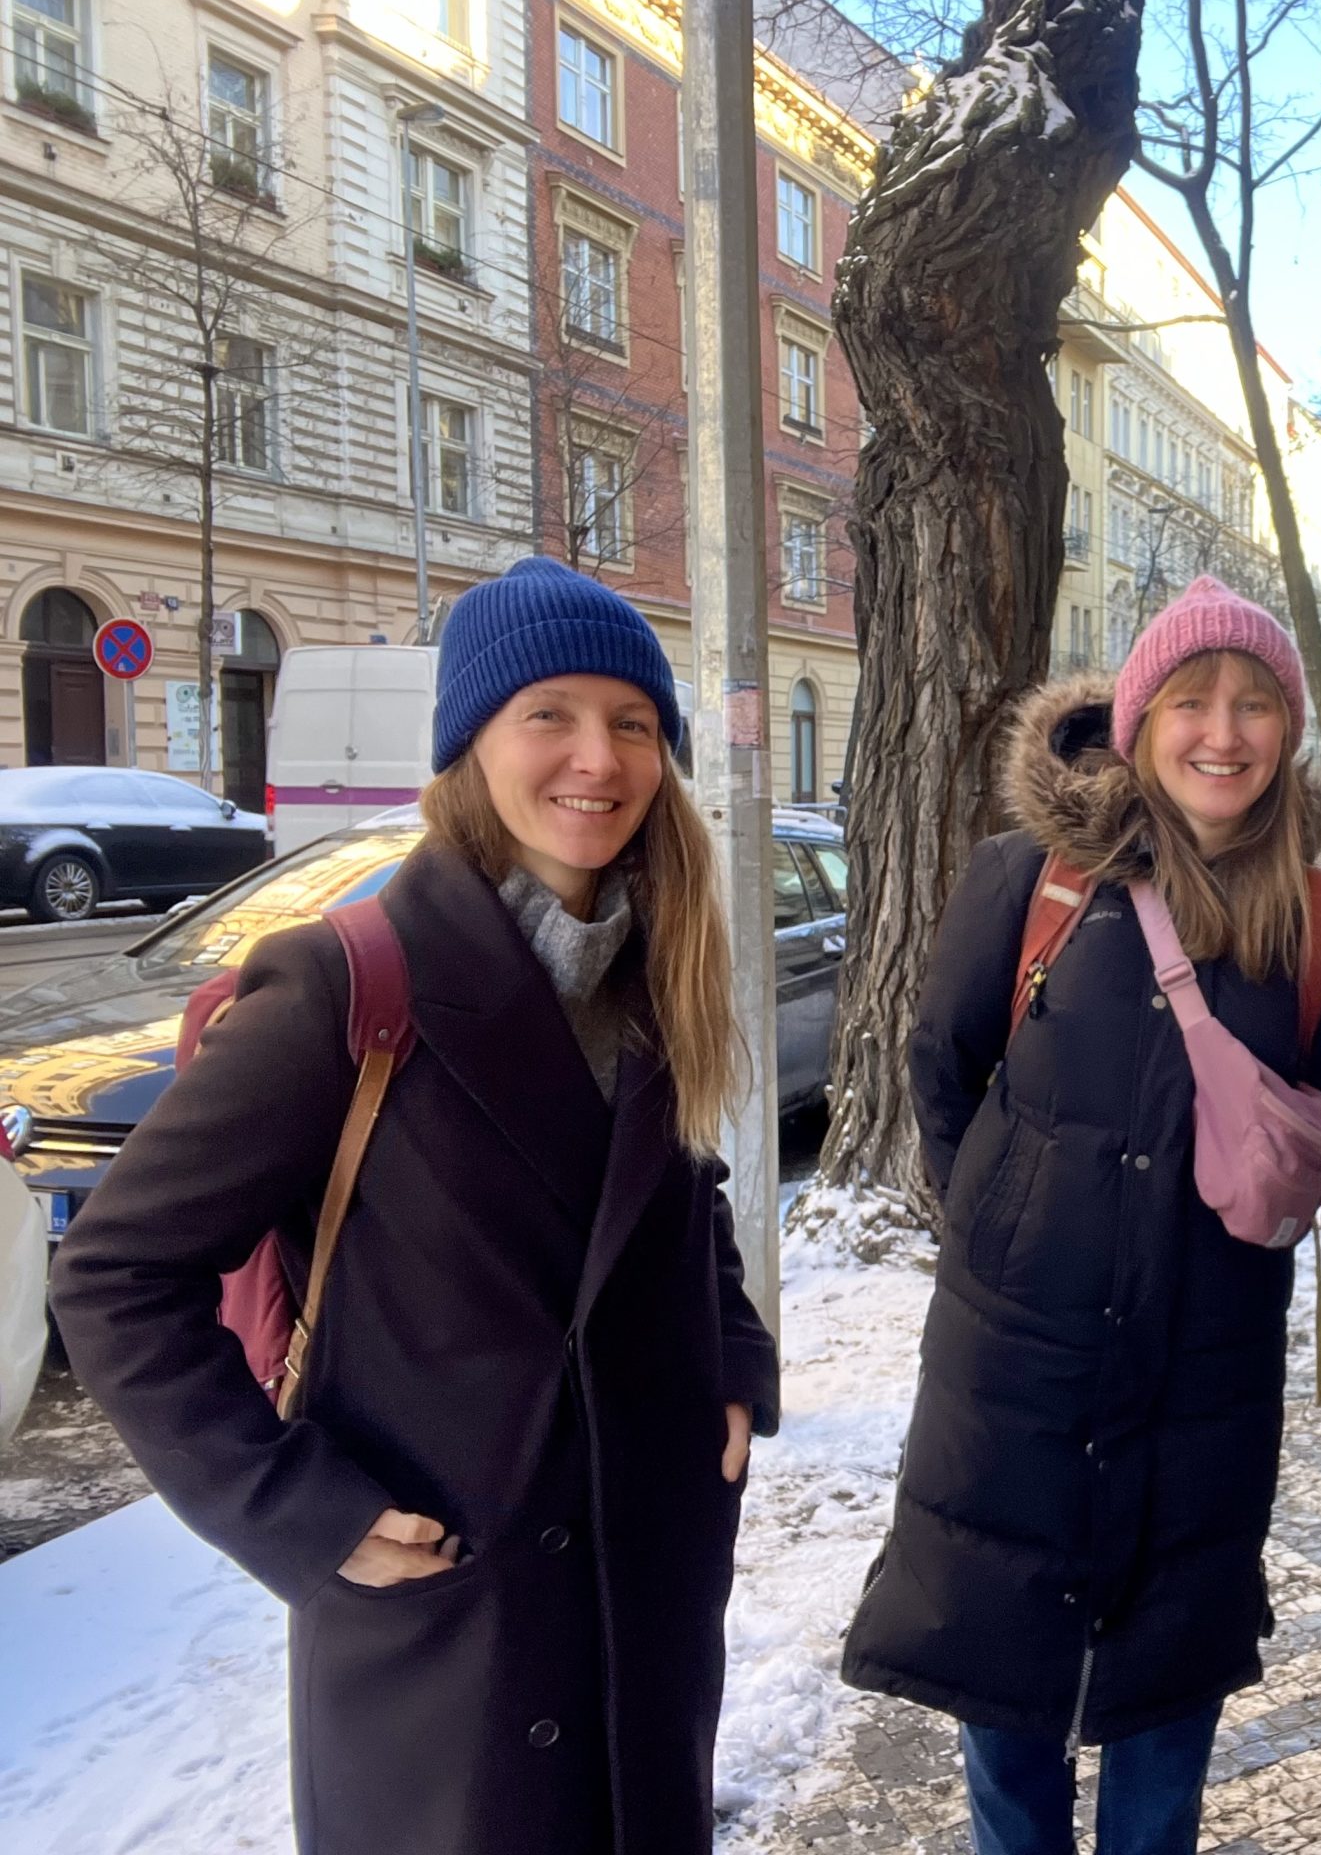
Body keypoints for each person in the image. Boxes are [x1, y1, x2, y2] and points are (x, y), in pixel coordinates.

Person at [51, 557, 778, 1855]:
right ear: (468, 745)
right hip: (450, 1618)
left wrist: (730, 1363)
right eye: (548, 715)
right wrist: (296, 1510)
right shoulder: (345, 986)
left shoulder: (651, 961)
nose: (598, 758)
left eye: (631, 723)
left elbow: (677, 1193)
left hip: (642, 1597)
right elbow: (116, 1274)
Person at [842, 575, 1321, 1855]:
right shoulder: (1027, 881)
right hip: (1010, 1376)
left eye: (1255, 704)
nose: (1223, 733)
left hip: (1205, 1383)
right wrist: (1006, 1230)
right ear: (1138, 721)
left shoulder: (1320, 928)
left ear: (1287, 727)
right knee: (1005, 1738)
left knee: (1161, 1744)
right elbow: (942, 1065)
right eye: (1192, 700)